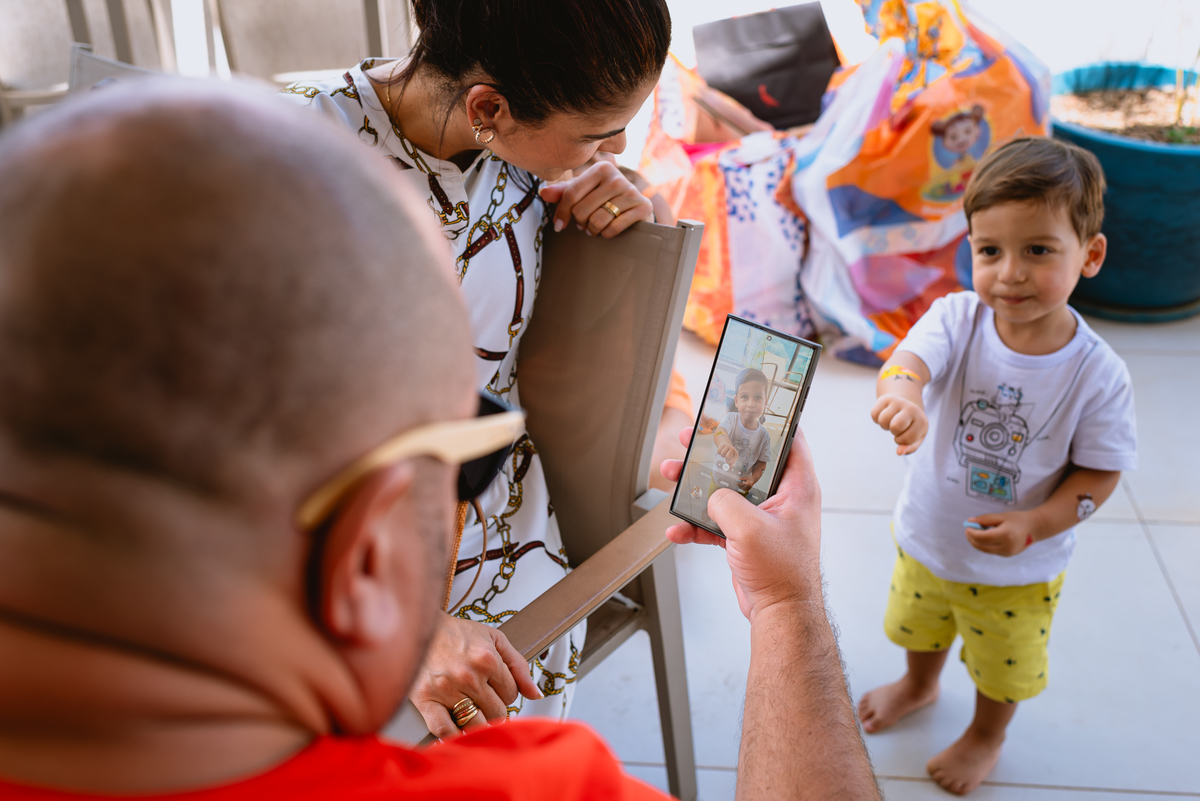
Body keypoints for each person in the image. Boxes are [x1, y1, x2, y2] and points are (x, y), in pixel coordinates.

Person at [0, 78, 880, 801]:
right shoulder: (534, 786)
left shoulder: (536, 188)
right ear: (368, 558)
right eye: (460, 467)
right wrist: (789, 611)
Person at [279, 0, 671, 735]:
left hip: (497, 532)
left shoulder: (521, 163)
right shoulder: (293, 172)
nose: (617, 146)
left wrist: (620, 203)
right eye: (598, 133)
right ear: (488, 106)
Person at [859, 137, 1138, 795]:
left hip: (1018, 567)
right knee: (916, 625)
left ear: (1089, 255)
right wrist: (900, 396)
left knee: (1001, 664)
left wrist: (1036, 523)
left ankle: (987, 732)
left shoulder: (1098, 375)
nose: (1009, 272)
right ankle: (921, 683)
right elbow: (906, 363)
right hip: (928, 536)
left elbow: (1100, 474)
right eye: (990, 250)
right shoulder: (958, 318)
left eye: (1038, 249)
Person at [713, 368, 772, 493]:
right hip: (718, 477)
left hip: (740, 486)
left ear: (765, 402)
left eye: (758, 398)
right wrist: (724, 443)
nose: (751, 404)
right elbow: (720, 431)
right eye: (744, 397)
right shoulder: (730, 418)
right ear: (736, 401)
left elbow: (761, 463)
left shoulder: (764, 436)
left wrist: (753, 478)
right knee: (710, 502)